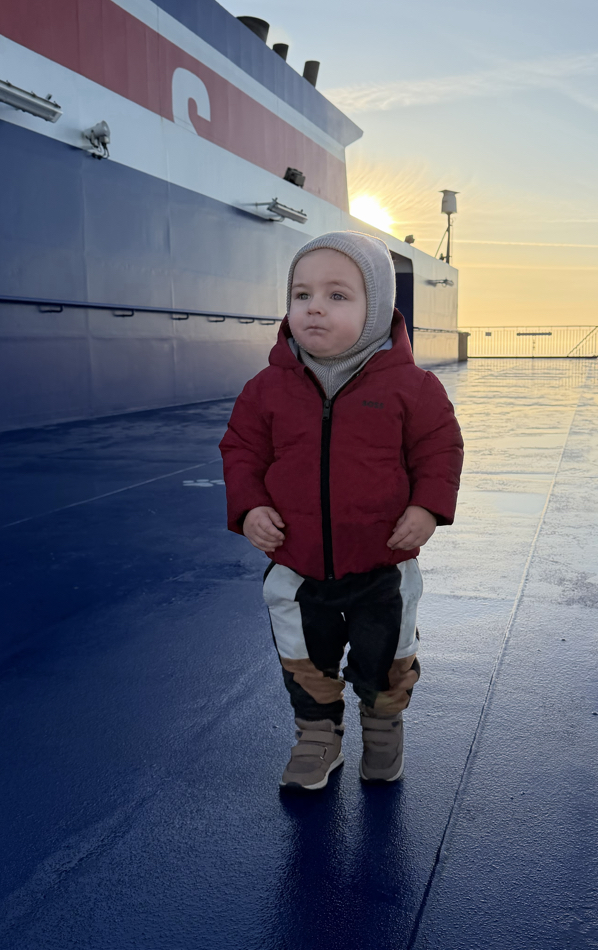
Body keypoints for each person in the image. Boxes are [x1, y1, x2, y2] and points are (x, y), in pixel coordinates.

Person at [220, 230, 464, 790]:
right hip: (297, 566)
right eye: (301, 295)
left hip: (384, 565)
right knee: (306, 659)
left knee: (386, 660)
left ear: (375, 307)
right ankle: (317, 736)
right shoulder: (265, 390)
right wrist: (250, 506)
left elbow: (439, 451)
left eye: (337, 296)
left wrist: (428, 508)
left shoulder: (414, 388)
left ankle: (382, 730)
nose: (314, 308)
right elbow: (241, 450)